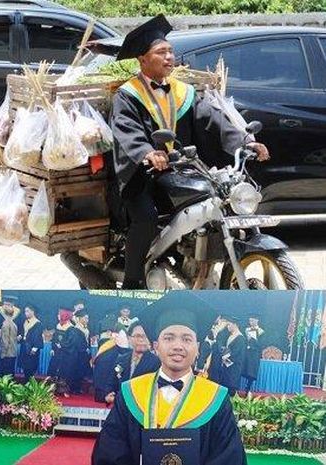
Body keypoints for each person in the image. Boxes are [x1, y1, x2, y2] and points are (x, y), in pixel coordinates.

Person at [100, 15, 270, 289]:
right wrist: (147, 152)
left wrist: (244, 142)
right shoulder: (127, 95)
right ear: (143, 60)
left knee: (216, 196)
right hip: (142, 175)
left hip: (179, 170)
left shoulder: (184, 92)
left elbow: (213, 120)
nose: (169, 57)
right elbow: (126, 130)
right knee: (146, 218)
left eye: (170, 51)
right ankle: (133, 281)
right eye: (161, 52)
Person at [91, 305, 247, 465]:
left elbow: (230, 458)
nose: (178, 346)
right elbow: (109, 453)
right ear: (156, 346)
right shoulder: (130, 393)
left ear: (197, 347)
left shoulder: (216, 398)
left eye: (187, 339)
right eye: (169, 338)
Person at [104, 322, 160, 404]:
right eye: (137, 336)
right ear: (129, 338)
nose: (141, 339)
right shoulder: (121, 359)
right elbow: (112, 382)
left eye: (144, 336)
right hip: (120, 408)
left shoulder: (156, 362)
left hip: (141, 410)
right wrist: (108, 395)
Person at [48, 308, 77, 396]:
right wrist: (53, 348)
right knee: (54, 370)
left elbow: (71, 342)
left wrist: (62, 345)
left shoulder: (71, 328)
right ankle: (53, 389)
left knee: (64, 371)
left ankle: (63, 390)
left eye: (60, 314)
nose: (58, 316)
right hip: (56, 352)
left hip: (66, 354)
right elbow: (54, 339)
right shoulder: (58, 326)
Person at [217, 316, 246, 396]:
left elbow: (236, 355)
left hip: (233, 369)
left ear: (235, 325)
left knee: (230, 391)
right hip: (226, 367)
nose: (228, 327)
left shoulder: (240, 338)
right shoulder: (230, 336)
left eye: (229, 325)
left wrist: (225, 357)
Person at [69, 309, 92, 393]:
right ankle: (74, 388)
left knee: (81, 370)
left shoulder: (85, 329)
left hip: (83, 354)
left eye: (87, 318)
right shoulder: (76, 329)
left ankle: (78, 387)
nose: (87, 320)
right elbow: (77, 343)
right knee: (76, 370)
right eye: (85, 318)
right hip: (77, 353)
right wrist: (84, 349)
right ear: (79, 318)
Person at [18, 305, 43, 379]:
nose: (26, 313)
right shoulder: (24, 322)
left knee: (31, 367)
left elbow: (38, 337)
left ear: (32, 312)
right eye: (25, 311)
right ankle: (26, 382)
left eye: (27, 311)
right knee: (25, 366)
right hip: (24, 346)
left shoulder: (38, 323)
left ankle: (30, 384)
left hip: (32, 348)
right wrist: (20, 336)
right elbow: (24, 332)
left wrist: (34, 349)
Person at [242, 314, 264, 393]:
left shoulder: (261, 331)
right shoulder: (246, 330)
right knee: (244, 369)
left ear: (257, 320)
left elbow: (261, 344)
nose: (250, 322)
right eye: (249, 321)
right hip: (246, 352)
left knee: (252, 371)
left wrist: (254, 340)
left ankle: (248, 388)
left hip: (255, 354)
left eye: (252, 320)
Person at [0, 303, 19, 375]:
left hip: (6, 355)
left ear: (4, 313)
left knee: (4, 376)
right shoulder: (14, 324)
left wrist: (2, 354)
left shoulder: (5, 324)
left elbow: (5, 341)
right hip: (13, 353)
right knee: (11, 374)